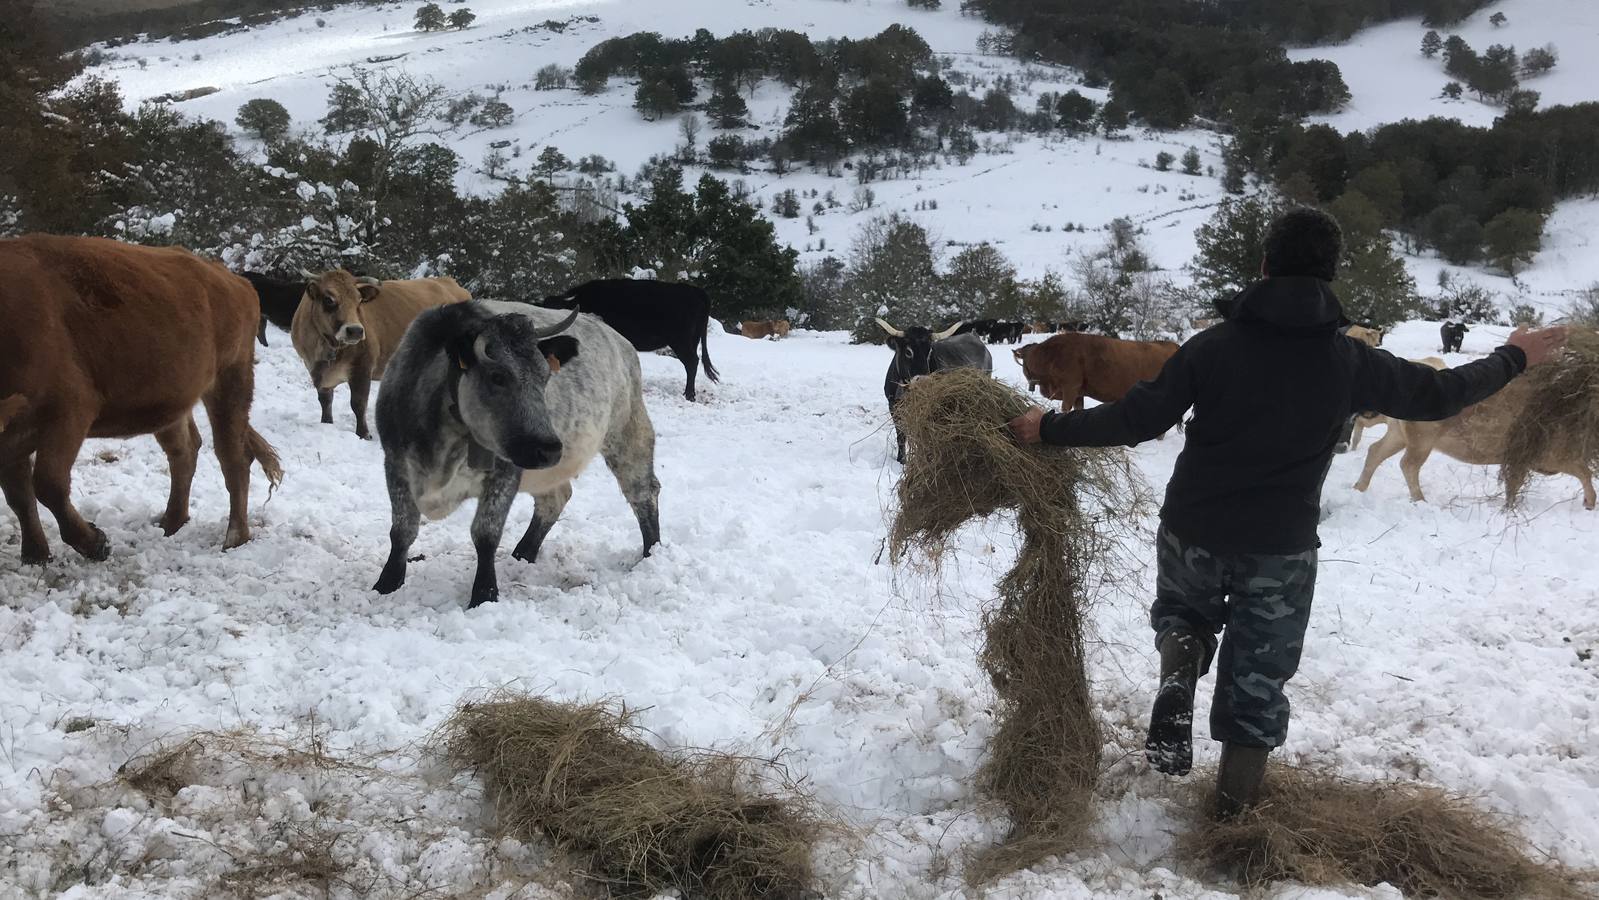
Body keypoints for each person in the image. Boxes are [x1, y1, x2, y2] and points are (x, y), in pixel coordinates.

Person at [1007, 207, 1568, 818]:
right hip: (1280, 543)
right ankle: (1232, 817)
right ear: (1330, 276)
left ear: (1265, 266)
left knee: (1184, 614)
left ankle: (1182, 661)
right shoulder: (1351, 361)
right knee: (1259, 672)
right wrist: (1514, 357)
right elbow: (1441, 395)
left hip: (1194, 525)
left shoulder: (1212, 348)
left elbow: (1137, 419)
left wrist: (1050, 427)